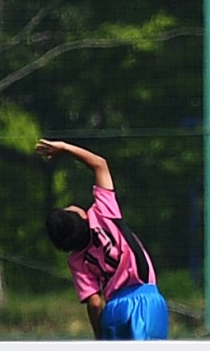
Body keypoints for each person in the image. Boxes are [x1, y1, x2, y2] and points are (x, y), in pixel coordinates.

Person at [34, 138, 169, 340]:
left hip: (113, 311)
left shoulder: (76, 259)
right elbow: (99, 164)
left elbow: (95, 302)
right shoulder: (102, 214)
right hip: (144, 298)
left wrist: (100, 337)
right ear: (81, 216)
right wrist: (64, 148)